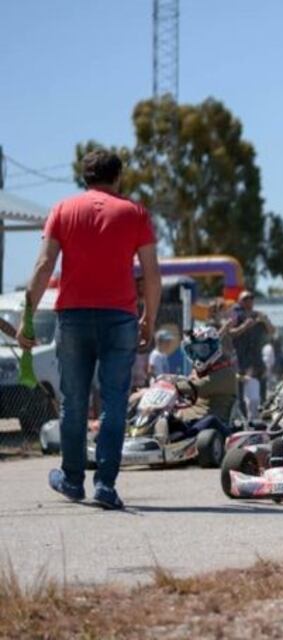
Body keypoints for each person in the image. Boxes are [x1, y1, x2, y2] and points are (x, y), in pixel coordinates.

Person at [19, 149, 160, 509]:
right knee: (114, 402)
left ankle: (71, 479)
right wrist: (149, 318)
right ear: (118, 177)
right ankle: (105, 485)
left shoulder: (63, 210)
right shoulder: (135, 213)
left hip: (73, 318)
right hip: (120, 318)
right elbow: (152, 273)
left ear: (85, 177)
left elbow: (43, 265)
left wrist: (27, 318)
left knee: (74, 402)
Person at [155, 327, 237, 445]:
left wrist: (169, 384)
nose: (198, 355)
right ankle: (145, 437)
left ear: (213, 348)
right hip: (192, 421)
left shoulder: (226, 373)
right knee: (165, 417)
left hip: (216, 426)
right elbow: (187, 383)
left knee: (211, 420)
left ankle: (182, 441)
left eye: (202, 350)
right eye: (193, 350)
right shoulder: (199, 371)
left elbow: (195, 387)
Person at [229, 290, 276, 398]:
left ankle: (263, 405)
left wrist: (265, 321)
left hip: (256, 355)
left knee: (261, 382)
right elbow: (230, 333)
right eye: (245, 299)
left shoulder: (258, 315)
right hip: (241, 356)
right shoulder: (236, 316)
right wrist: (244, 326)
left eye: (251, 299)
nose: (249, 301)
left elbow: (272, 331)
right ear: (240, 301)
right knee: (240, 387)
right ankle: (241, 407)